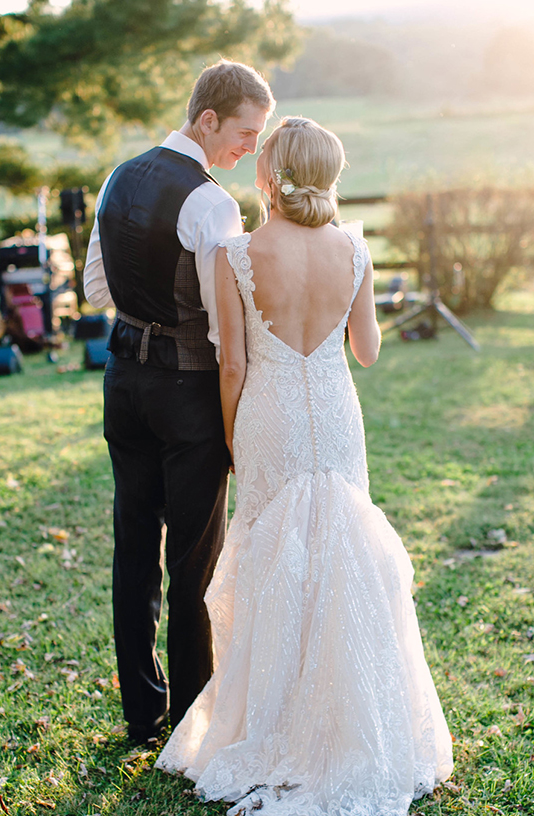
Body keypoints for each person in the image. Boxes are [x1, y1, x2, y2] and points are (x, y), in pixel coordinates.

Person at [156, 117, 454, 814]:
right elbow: (368, 351)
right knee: (343, 552)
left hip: (269, 417)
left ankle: (276, 723)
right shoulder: (353, 247)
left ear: (268, 176)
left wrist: (232, 438)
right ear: (329, 177)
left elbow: (232, 363)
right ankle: (352, 723)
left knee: (274, 559)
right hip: (335, 411)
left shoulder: (235, 254)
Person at [83, 60, 275, 742]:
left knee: (133, 548)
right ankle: (194, 721)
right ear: (208, 118)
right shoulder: (212, 202)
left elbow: (96, 290)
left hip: (122, 379)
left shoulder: (117, 178)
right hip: (187, 389)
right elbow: (224, 328)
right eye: (246, 134)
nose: (249, 148)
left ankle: (142, 714)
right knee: (194, 557)